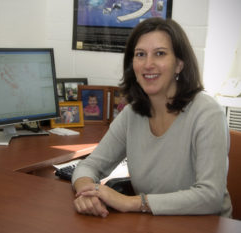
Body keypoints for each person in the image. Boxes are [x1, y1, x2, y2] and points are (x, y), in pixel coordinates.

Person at [71, 17, 232, 218]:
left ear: (179, 64)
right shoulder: (132, 114)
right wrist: (87, 192)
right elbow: (89, 166)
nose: (148, 64)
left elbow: (211, 196)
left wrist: (131, 202)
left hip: (204, 226)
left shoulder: (207, 113)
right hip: (153, 224)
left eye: (160, 54)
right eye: (140, 54)